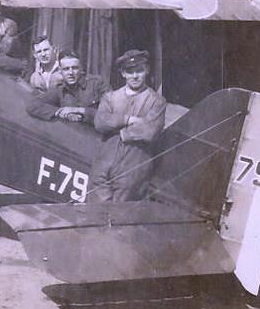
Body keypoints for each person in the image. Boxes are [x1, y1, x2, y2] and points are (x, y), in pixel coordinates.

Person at [86, 49, 167, 205]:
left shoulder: (156, 101)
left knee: (120, 217)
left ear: (147, 71)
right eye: (130, 72)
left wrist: (119, 130)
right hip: (103, 165)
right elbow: (100, 122)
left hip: (133, 168)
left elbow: (150, 131)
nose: (135, 76)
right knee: (94, 213)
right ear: (123, 73)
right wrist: (128, 119)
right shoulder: (110, 97)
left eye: (139, 70)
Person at [27, 50, 110, 125]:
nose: (70, 73)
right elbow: (33, 105)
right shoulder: (59, 89)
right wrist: (59, 112)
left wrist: (77, 110)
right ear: (60, 71)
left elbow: (110, 114)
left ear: (81, 69)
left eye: (75, 68)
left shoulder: (97, 83)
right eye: (66, 69)